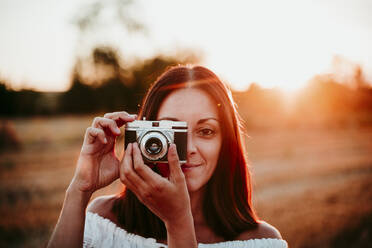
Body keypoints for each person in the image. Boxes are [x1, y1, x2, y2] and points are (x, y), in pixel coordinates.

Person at [47, 65, 288, 248]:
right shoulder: (104, 220)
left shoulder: (261, 241)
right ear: (144, 135)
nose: (188, 148)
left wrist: (178, 223)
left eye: (206, 131)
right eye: (170, 132)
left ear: (226, 143)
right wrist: (79, 189)